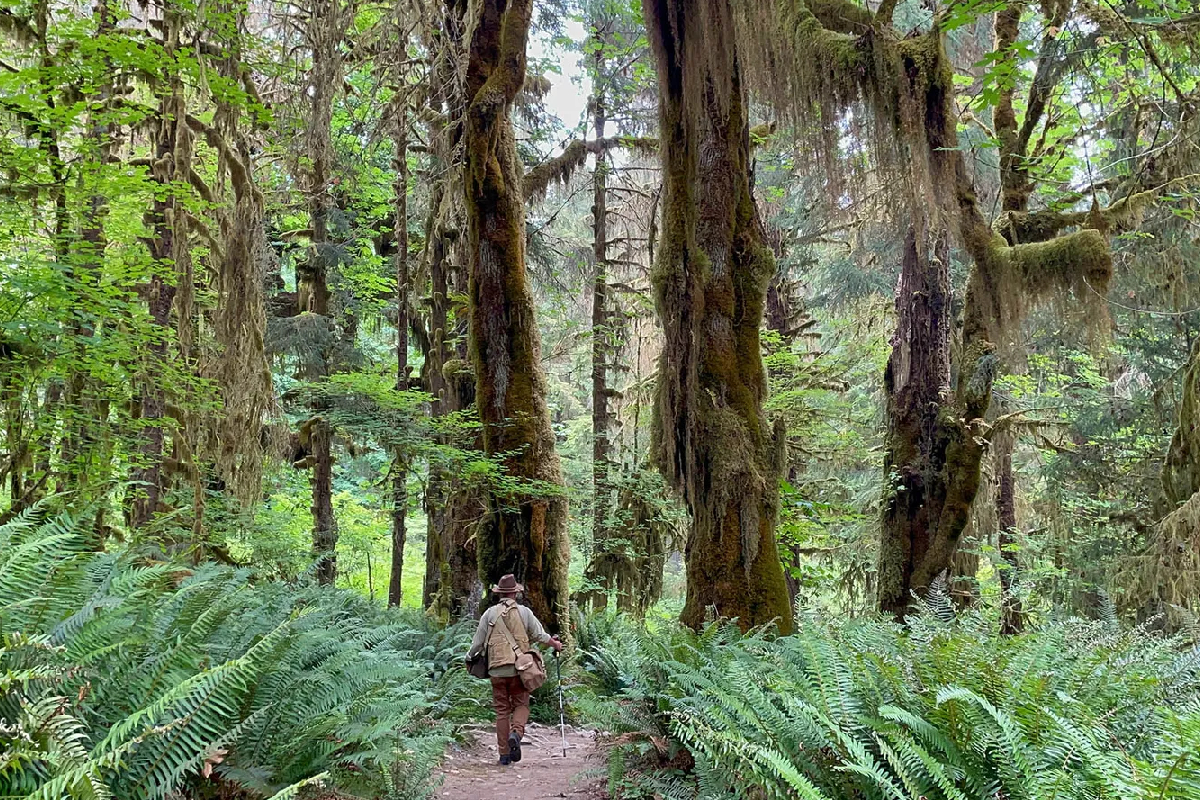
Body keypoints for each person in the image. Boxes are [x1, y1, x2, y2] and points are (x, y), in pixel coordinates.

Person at [467, 574, 563, 765]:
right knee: (521, 705)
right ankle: (516, 734)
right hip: (520, 669)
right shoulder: (524, 612)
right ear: (515, 593)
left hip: (495, 671)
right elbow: (539, 635)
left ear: (499, 594)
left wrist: (469, 657)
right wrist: (555, 645)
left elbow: (477, 643)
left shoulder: (489, 614)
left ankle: (503, 756)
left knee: (502, 712)